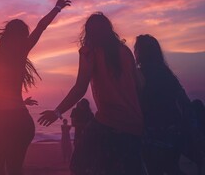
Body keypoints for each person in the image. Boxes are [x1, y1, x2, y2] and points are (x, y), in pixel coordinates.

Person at [0, 0, 71, 174]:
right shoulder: (21, 51)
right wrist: (57, 8)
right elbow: (41, 26)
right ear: (20, 36)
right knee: (13, 168)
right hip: (21, 120)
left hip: (4, 120)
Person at [38, 12, 145, 175]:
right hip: (135, 124)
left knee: (78, 166)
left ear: (88, 32)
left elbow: (80, 88)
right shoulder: (125, 51)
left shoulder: (89, 52)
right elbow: (139, 85)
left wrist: (57, 112)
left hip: (108, 122)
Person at [134, 34, 194, 175]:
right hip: (173, 130)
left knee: (154, 169)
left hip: (151, 131)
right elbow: (183, 99)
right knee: (171, 168)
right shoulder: (166, 74)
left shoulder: (139, 75)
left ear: (140, 52)